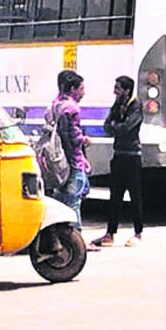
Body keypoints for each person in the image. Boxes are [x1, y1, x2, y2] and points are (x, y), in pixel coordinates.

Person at [92, 76, 145, 248]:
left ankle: (138, 232)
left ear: (127, 90)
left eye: (118, 88)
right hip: (119, 155)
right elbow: (107, 126)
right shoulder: (117, 105)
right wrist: (115, 127)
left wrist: (117, 127)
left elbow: (126, 128)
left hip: (132, 156)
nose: (115, 91)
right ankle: (110, 233)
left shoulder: (135, 106)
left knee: (135, 196)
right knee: (115, 196)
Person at [48, 69, 97, 248]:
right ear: (73, 89)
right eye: (81, 88)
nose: (83, 92)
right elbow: (72, 137)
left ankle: (58, 237)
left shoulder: (55, 104)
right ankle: (77, 240)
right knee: (73, 201)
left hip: (59, 160)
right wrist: (84, 141)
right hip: (72, 161)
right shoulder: (72, 108)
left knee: (61, 199)